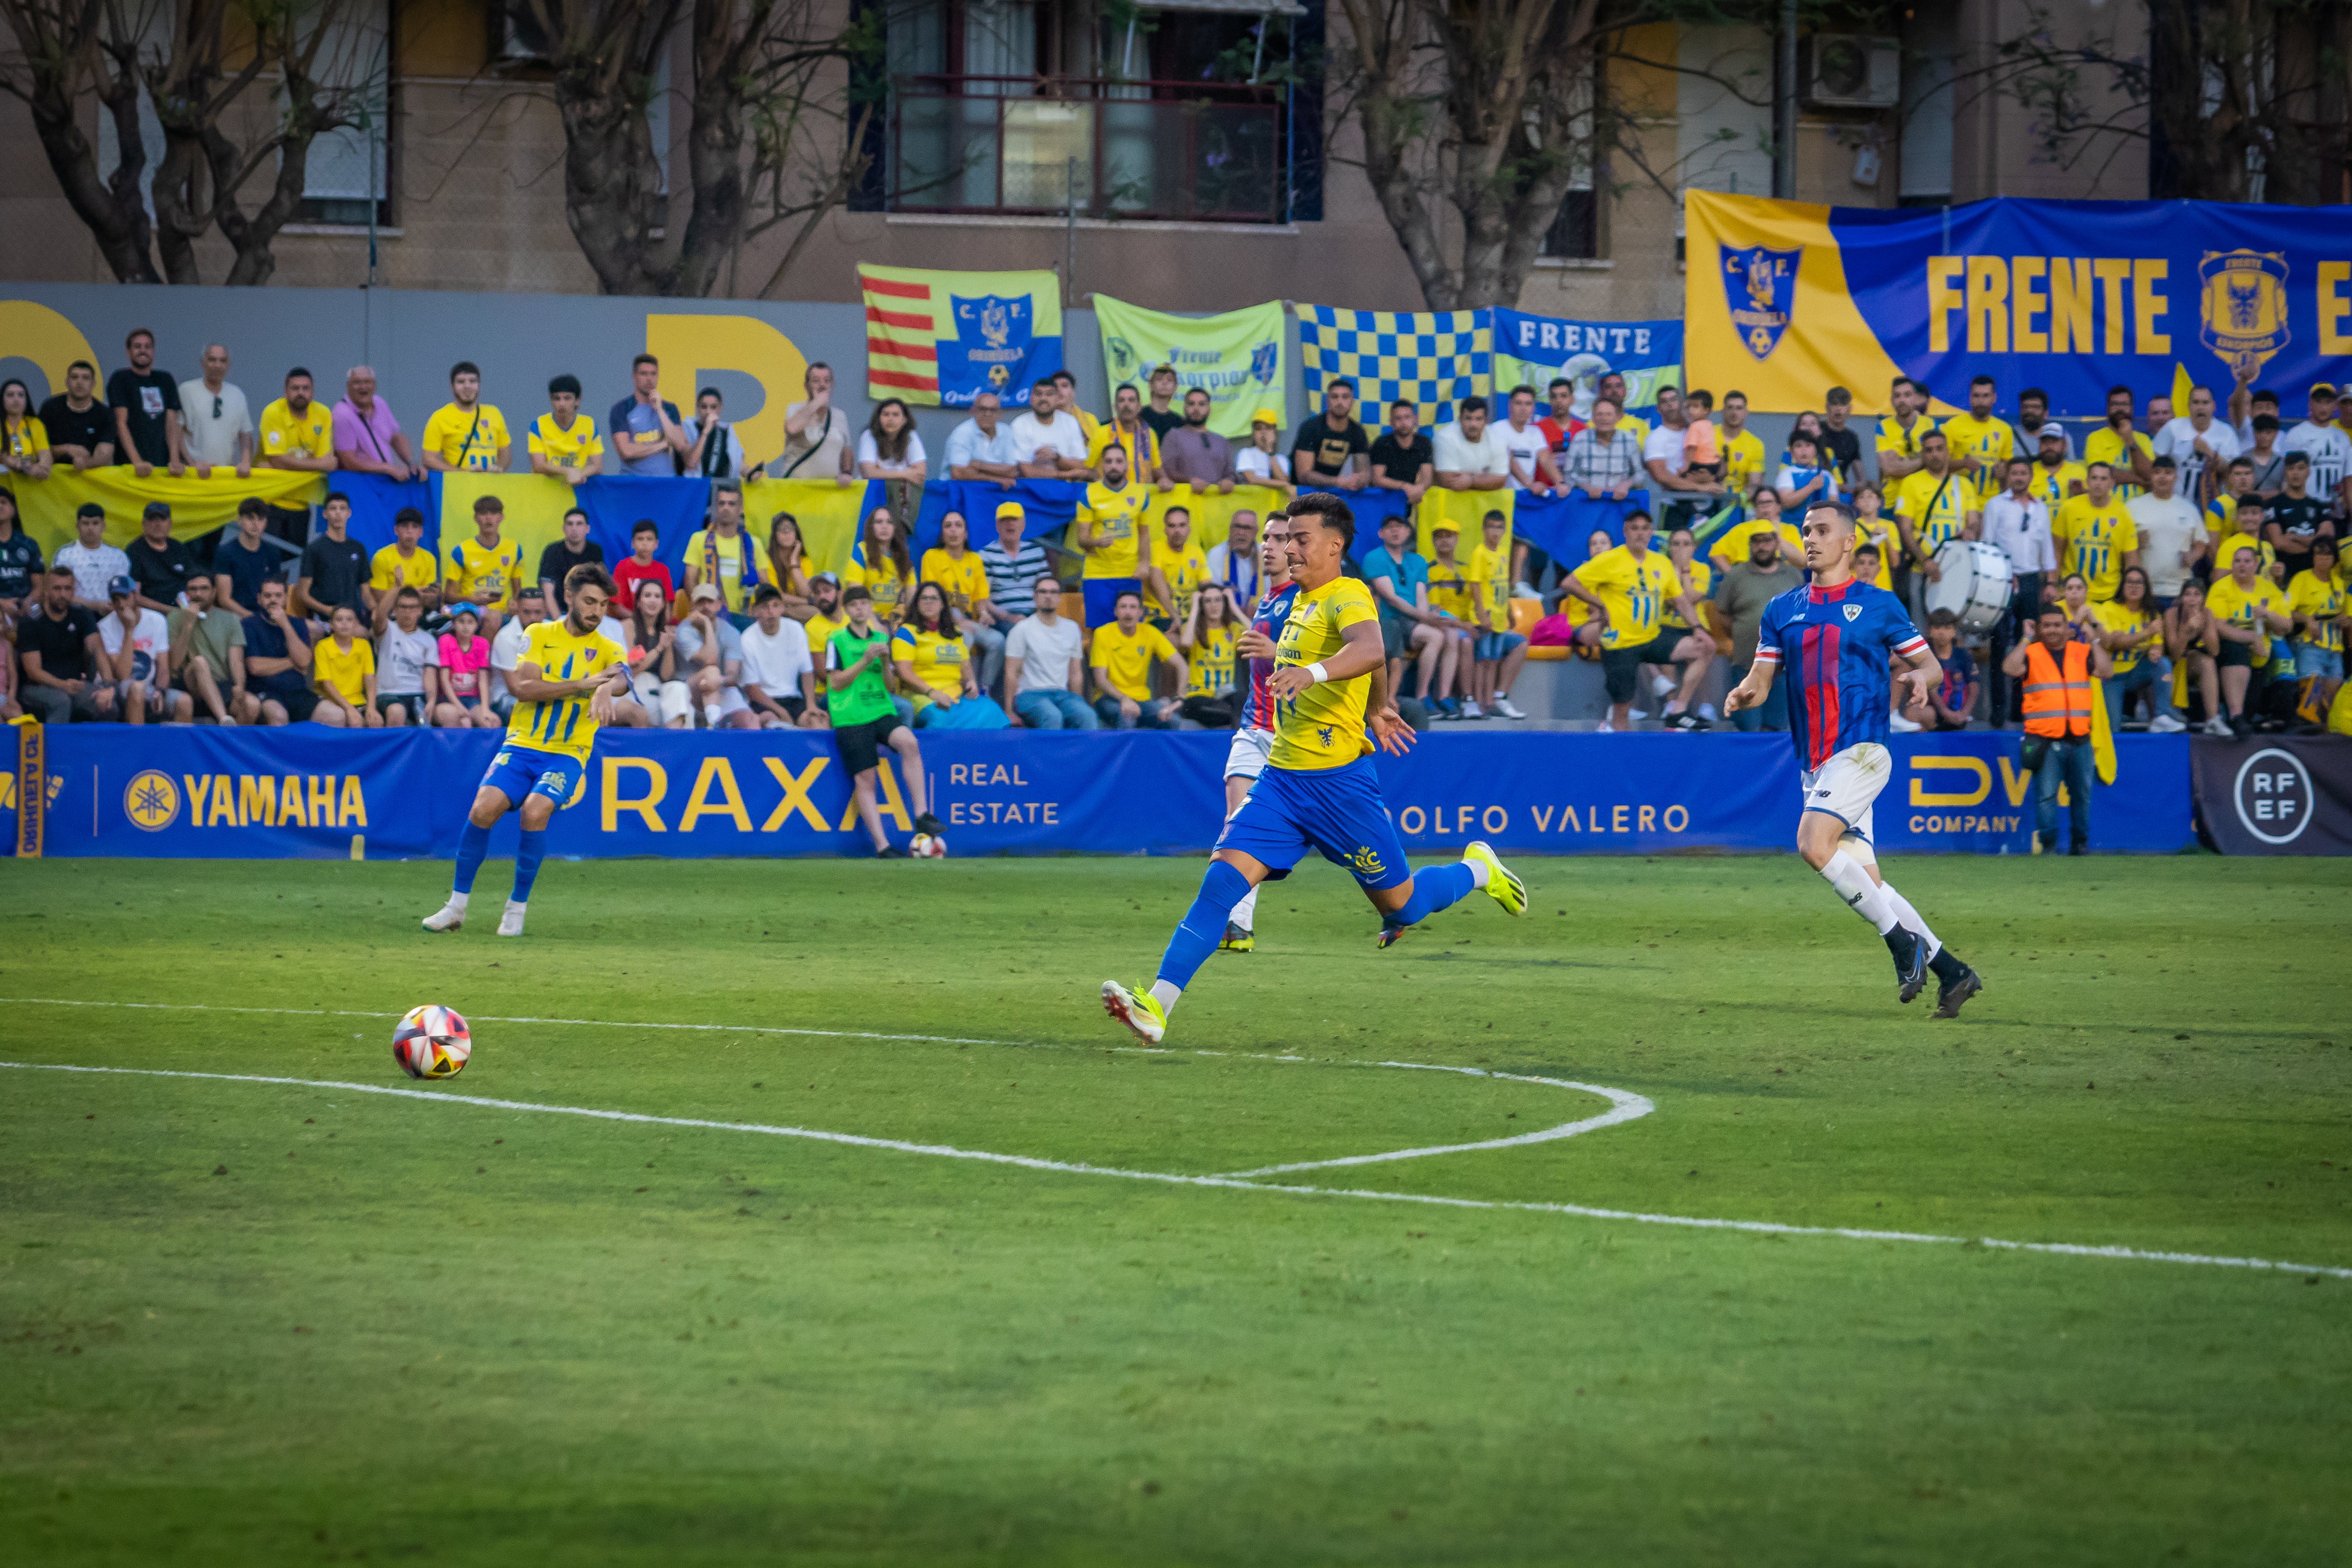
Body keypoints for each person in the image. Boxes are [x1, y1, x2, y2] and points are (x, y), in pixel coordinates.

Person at [1099, 493, 1527, 1044]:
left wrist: (1316, 674)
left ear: (1334, 545)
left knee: (1405, 904)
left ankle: (1479, 870)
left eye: (1299, 539)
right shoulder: (1296, 602)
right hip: (1281, 780)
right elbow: (1366, 662)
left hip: (1339, 787)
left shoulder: (1348, 593)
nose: (1288, 548)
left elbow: (1370, 647)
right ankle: (1156, 1007)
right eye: (1284, 538)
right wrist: (1375, 704)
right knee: (1219, 885)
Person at [1725, 501, 1982, 1014]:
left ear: (1847, 542)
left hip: (1862, 749)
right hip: (1816, 763)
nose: (1811, 538)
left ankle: (1899, 943)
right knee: (1869, 883)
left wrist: (1917, 678)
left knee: (1810, 844)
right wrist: (1743, 694)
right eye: (1805, 531)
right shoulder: (1782, 610)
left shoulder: (1878, 604)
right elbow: (1760, 678)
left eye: (1822, 530)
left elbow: (1928, 663)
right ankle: (1952, 972)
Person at [423, 563, 630, 936]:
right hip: (522, 744)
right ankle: (456, 907)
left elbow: (622, 678)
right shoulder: (538, 633)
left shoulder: (608, 645)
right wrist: (584, 684)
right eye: (589, 601)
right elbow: (525, 688)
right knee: (483, 808)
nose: (597, 611)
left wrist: (604, 687)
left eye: (602, 604)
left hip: (568, 752)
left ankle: (515, 910)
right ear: (569, 598)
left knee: (535, 812)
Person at [1214, 513, 1300, 950]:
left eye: (1280, 538)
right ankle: (1238, 924)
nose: (1269, 545)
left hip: (1296, 737)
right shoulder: (1264, 599)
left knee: (1353, 839)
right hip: (1255, 727)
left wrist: (1276, 651)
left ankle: (1399, 901)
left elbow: (1330, 665)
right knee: (1239, 823)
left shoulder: (1307, 601)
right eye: (1266, 537)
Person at [823, 585, 944, 856]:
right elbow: (836, 682)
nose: (860, 609)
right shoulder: (837, 640)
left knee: (910, 743)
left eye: (865, 604)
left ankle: (922, 813)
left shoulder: (879, 637)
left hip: (880, 708)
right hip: (851, 716)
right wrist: (865, 660)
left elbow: (890, 686)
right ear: (846, 610)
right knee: (867, 780)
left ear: (870, 608)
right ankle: (882, 845)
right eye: (854, 605)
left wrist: (887, 660)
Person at [1558, 511, 1706, 733]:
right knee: (1622, 712)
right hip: (1621, 642)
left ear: (1652, 533)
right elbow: (1569, 583)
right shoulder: (1609, 560)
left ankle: (1677, 710)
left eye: (1645, 528)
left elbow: (1681, 600)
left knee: (1705, 647)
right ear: (1625, 532)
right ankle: (1620, 756)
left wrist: (1698, 627)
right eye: (1634, 528)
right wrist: (1600, 605)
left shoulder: (1661, 562)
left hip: (1651, 637)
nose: (1640, 533)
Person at [2003, 600, 2112, 853]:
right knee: (2046, 797)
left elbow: (2106, 671)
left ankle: (2080, 843)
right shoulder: (2032, 652)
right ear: (2039, 628)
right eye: (2047, 626)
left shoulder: (2081, 651)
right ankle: (2049, 845)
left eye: (2057, 625)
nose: (2052, 630)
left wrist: (2094, 640)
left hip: (2080, 738)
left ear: (2067, 627)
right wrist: (2026, 639)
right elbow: (2009, 668)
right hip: (2045, 739)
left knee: (2083, 796)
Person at [1980, 458, 2058, 722]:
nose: (2019, 477)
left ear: (2031, 476)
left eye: (2024, 473)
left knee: (2030, 645)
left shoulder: (2041, 508)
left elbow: (2046, 547)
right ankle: (1998, 712)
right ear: (2008, 476)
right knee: (2000, 643)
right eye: (2015, 473)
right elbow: (1988, 545)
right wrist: (2002, 573)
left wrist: (2050, 583)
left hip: (2031, 580)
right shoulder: (1996, 505)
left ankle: (2021, 708)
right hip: (2004, 579)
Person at [1363, 512, 1455, 717]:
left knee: (1452, 633)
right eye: (1390, 527)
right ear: (1381, 533)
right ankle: (1422, 697)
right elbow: (1391, 598)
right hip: (1390, 620)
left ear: (1408, 532)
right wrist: (1426, 619)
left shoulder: (1418, 560)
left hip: (1413, 620)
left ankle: (1445, 696)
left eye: (1400, 527)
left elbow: (1421, 594)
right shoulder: (1374, 557)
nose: (1395, 530)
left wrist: (1427, 617)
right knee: (1435, 635)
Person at [1711, 520, 1796, 732]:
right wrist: (1737, 635)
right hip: (1746, 663)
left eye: (1767, 541)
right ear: (1750, 545)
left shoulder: (1793, 575)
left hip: (1783, 667)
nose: (1762, 546)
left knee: (1776, 727)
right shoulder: (1736, 575)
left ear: (1776, 543)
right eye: (1756, 542)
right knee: (1748, 726)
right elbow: (1719, 614)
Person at [2203, 546, 2291, 736]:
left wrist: (2268, 614)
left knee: (2250, 715)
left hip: (2260, 658)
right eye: (2237, 561)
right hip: (2227, 652)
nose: (2241, 565)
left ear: (2257, 565)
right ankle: (2235, 716)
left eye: (2247, 561)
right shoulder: (2221, 587)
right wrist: (2252, 638)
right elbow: (2218, 626)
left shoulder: (2269, 589)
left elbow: (2287, 626)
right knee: (2238, 648)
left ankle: (2266, 718)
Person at [1889, 431, 1982, 596]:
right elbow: (1905, 529)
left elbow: (1974, 521)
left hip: (1957, 566)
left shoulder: (1964, 484)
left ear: (1948, 452)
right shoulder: (1911, 483)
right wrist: (1925, 560)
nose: (1935, 455)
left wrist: (1971, 531)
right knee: (1920, 620)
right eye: (1929, 450)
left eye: (1940, 449)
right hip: (1922, 568)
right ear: (1923, 455)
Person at [1073, 444, 1155, 630]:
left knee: (1131, 629)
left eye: (1119, 461)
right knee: (1100, 630)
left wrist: (1144, 563)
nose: (1114, 466)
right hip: (1098, 574)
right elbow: (1082, 540)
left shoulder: (1140, 493)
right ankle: (1098, 661)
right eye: (1109, 461)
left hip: (1130, 573)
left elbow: (1144, 533)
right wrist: (1095, 542)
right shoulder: (1089, 494)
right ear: (1102, 465)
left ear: (1127, 464)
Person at [17, 566, 113, 723]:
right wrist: (62, 685)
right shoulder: (31, 621)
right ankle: (56, 747)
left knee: (108, 704)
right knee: (61, 701)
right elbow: (33, 671)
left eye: (68, 589)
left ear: (74, 591)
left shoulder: (82, 614)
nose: (63, 594)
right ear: (46, 591)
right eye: (57, 589)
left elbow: (97, 649)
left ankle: (102, 747)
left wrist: (108, 686)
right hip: (36, 687)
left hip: (74, 685)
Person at [977, 500, 1050, 694]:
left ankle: (1046, 690)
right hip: (1003, 616)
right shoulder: (986, 554)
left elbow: (1046, 588)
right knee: (1020, 634)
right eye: (1005, 520)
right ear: (997, 525)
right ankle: (1017, 696)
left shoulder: (1036, 552)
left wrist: (1040, 617)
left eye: (1015, 520)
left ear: (1024, 524)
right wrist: (1007, 616)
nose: (1011, 525)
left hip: (1034, 614)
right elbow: (983, 597)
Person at [1004, 575, 1092, 729]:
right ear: (1035, 597)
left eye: (1054, 592)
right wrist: (1009, 711)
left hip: (1062, 694)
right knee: (1052, 716)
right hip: (1029, 694)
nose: (1048, 596)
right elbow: (1012, 672)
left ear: (1060, 598)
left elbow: (1076, 673)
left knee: (1087, 715)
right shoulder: (1021, 629)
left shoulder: (1072, 628)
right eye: (1043, 592)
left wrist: (1078, 701)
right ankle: (1051, 754)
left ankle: (1086, 754)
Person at [1089, 589, 1182, 729]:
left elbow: (1181, 665)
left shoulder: (1150, 632)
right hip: (1110, 699)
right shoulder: (1102, 633)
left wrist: (1181, 697)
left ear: (1141, 613)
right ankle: (1126, 752)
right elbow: (1101, 680)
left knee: (1172, 720)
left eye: (1133, 607)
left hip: (1143, 700)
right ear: (1116, 612)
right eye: (1123, 607)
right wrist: (1125, 699)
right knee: (1128, 717)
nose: (1128, 612)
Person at [97, 575, 184, 724]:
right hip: (117, 687)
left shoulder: (157, 621)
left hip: (150, 686)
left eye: (125, 597)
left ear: (136, 595)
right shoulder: (105, 626)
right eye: (115, 599)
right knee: (137, 688)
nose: (121, 604)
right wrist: (129, 630)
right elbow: (123, 675)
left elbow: (164, 667)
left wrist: (161, 692)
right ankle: (137, 746)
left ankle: (179, 747)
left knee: (184, 702)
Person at [1465, 510, 1528, 718]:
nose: (1496, 531)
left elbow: (1504, 586)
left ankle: (1490, 702)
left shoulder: (1502, 553)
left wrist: (1509, 612)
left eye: (1500, 527)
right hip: (1486, 618)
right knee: (1482, 661)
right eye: (1491, 527)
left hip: (1500, 618)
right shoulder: (1480, 553)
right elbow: (1475, 586)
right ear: (1484, 530)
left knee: (1493, 660)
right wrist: (1482, 615)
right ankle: (1480, 701)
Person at [2051, 462, 2140, 603]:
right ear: (2087, 481)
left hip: (2109, 594)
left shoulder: (2123, 514)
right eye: (2094, 478)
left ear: (2112, 484)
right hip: (2073, 592)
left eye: (2104, 479)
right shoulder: (2069, 508)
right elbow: (2057, 551)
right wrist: (2053, 585)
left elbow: (2131, 558)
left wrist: (2127, 595)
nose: (2098, 483)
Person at [2095, 565, 2171, 729]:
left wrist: (2156, 650)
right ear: (2122, 586)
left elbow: (2158, 642)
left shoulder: (2152, 614)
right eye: (2129, 582)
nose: (2134, 587)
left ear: (2146, 588)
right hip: (2112, 676)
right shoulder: (2108, 609)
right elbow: (2115, 644)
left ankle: (2162, 716)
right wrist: (2147, 632)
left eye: (2139, 583)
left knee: (2163, 664)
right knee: (2112, 729)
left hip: (2136, 673)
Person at [1655, 524, 1717, 728]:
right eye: (1676, 544)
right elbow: (1672, 601)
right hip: (1666, 623)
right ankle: (1672, 703)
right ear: (1669, 548)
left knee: (1703, 646)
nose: (1681, 548)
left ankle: (1696, 705)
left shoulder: (1703, 569)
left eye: (1686, 544)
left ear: (1694, 547)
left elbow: (1689, 599)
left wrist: (1684, 571)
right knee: (1666, 642)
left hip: (1694, 625)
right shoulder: (1660, 568)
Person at [894, 581, 977, 726]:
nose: (929, 602)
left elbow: (966, 668)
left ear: (943, 604)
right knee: (940, 717)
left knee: (992, 711)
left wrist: (972, 682)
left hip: (955, 695)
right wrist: (932, 693)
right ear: (917, 604)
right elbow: (905, 673)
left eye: (934, 598)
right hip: (922, 695)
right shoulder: (907, 632)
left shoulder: (955, 633)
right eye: (924, 598)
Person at [2126, 457, 2205, 608]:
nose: (2162, 477)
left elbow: (2201, 543)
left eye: (2168, 473)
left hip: (2180, 591)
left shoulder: (2188, 509)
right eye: (2157, 473)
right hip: (2144, 590)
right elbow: (2120, 543)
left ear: (2176, 477)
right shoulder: (2133, 506)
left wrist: (2192, 556)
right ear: (2151, 476)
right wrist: (2135, 541)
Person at [675, 583, 754, 729]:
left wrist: (719, 682)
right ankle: (714, 725)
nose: (705, 607)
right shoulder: (684, 630)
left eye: (710, 602)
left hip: (719, 686)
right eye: (700, 602)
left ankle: (716, 722)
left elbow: (732, 676)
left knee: (750, 720)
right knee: (712, 671)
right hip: (689, 690)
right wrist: (707, 624)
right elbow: (711, 659)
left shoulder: (731, 632)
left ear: (718, 605)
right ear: (693, 607)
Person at [168, 571, 243, 724]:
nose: (198, 594)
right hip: (189, 684)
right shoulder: (175, 617)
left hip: (222, 684)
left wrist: (240, 686)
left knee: (251, 705)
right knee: (200, 662)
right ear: (186, 593)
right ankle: (224, 719)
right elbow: (175, 664)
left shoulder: (231, 619)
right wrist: (188, 623)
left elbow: (237, 661)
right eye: (193, 589)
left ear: (214, 592)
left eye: (204, 589)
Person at [445, 493, 523, 639]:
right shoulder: (462, 550)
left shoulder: (514, 549)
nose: (488, 518)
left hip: (502, 611)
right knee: (494, 618)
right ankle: (483, 661)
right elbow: (448, 596)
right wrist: (474, 600)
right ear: (476, 518)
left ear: (501, 517)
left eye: (493, 513)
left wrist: (516, 604)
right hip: (469, 609)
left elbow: (518, 590)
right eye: (483, 514)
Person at [740, 584, 821, 728]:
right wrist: (781, 712)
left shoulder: (796, 629)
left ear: (783, 608)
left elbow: (807, 673)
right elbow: (752, 690)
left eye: (776, 605)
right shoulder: (748, 639)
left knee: (817, 722)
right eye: (765, 607)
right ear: (756, 611)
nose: (771, 612)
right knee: (774, 724)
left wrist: (811, 705)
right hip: (765, 702)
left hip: (793, 698)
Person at [241, 578, 319, 725]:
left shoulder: (298, 623)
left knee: (335, 715)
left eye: (278, 596)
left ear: (286, 599)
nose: (273, 600)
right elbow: (255, 667)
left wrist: (285, 624)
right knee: (279, 716)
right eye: (268, 596)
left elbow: (304, 661)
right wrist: (292, 662)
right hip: (265, 693)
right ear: (259, 599)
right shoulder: (249, 624)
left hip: (298, 692)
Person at [109, 327, 184, 477]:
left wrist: (175, 459)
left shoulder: (165, 379)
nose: (143, 351)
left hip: (163, 467)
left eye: (147, 347)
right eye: (137, 347)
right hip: (130, 467)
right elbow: (120, 423)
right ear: (128, 352)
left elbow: (171, 422)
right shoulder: (120, 379)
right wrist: (137, 462)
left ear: (153, 351)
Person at [2286, 538, 2347, 720]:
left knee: (2331, 704)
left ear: (2335, 559)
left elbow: (2342, 613)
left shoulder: (2338, 583)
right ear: (2312, 557)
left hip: (2336, 650)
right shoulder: (2301, 578)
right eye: (2318, 553)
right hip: (2310, 646)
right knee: (2311, 701)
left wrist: (2344, 620)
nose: (2323, 558)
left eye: (2328, 554)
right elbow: (2286, 610)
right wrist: (2307, 619)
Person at [176, 343, 252, 478]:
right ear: (203, 363)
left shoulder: (237, 394)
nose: (218, 365)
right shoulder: (187, 391)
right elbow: (176, 431)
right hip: (193, 474)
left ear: (228, 365)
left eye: (223, 361)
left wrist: (246, 462)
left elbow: (245, 433)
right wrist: (192, 463)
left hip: (225, 475)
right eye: (212, 360)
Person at [333, 365, 421, 480]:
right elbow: (349, 461)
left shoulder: (380, 403)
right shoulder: (342, 414)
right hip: (358, 482)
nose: (363, 387)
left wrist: (411, 464)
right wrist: (388, 468)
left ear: (374, 385)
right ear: (348, 386)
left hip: (384, 480)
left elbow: (395, 438)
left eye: (367, 382)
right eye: (357, 383)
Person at [2163, 578, 2227, 734]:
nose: (2192, 599)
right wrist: (2186, 631)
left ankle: (2213, 719)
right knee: (2177, 662)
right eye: (2188, 594)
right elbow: (2175, 655)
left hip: (2193, 665)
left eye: (2197, 595)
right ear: (2181, 598)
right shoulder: (2171, 614)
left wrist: (2204, 626)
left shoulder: (2207, 614)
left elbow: (2215, 651)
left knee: (2208, 662)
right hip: (2171, 666)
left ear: (2203, 598)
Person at [294, 491, 369, 625]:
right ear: (325, 514)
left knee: (367, 634)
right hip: (324, 620)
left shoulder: (358, 549)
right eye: (333, 508)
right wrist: (328, 610)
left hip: (353, 619)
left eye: (342, 508)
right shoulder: (314, 549)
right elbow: (302, 594)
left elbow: (366, 594)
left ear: (349, 513)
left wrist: (377, 611)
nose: (338, 513)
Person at [421, 362, 511, 473]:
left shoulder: (494, 413)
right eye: (461, 382)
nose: (467, 386)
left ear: (479, 385)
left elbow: (505, 451)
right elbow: (428, 459)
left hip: (491, 486)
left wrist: (499, 468)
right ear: (452, 386)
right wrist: (462, 473)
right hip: (459, 486)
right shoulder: (440, 417)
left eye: (472, 381)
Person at [2154, 384, 2238, 504]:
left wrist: (2209, 453)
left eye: (2205, 403)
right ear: (2189, 406)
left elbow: (2232, 474)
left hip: (2213, 507)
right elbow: (2157, 466)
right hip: (2176, 504)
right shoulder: (2173, 428)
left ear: (2213, 406)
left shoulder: (2227, 433)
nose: (2200, 407)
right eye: (2196, 403)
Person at [608, 354, 687, 477]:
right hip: (633, 484)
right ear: (634, 376)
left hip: (664, 483)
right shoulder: (621, 409)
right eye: (644, 374)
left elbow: (680, 444)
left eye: (653, 374)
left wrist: (660, 410)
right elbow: (626, 452)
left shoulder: (669, 409)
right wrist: (662, 444)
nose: (649, 379)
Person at [777, 361, 856, 482]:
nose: (822, 385)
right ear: (806, 386)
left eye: (827, 381)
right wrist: (817, 403)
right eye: (816, 381)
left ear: (832, 385)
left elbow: (847, 449)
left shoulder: (840, 416)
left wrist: (847, 472)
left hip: (828, 490)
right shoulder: (795, 409)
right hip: (798, 489)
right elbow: (792, 428)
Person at [374, 587, 442, 727]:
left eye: (412, 607)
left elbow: (429, 674)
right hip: (389, 694)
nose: (407, 611)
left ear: (420, 611)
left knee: (448, 714)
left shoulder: (428, 639)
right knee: (397, 712)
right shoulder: (388, 630)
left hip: (418, 694)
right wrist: (396, 588)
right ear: (395, 610)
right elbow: (380, 615)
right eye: (403, 607)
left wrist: (431, 701)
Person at [1176, 582, 1240, 726]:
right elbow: (1185, 643)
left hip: (1225, 695)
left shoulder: (1233, 629)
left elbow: (1259, 636)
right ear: (1202, 605)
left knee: (1242, 700)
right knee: (1217, 710)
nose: (1214, 605)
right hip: (1198, 696)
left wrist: (1234, 607)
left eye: (1218, 600)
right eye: (1208, 601)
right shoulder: (1193, 629)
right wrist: (1194, 609)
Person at [1903, 607, 1977, 731]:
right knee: (1911, 714)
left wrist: (1965, 713)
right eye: (1937, 628)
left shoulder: (1963, 656)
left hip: (1961, 714)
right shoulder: (1926, 656)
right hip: (1935, 713)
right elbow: (1931, 687)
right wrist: (1945, 712)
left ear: (1954, 632)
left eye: (1947, 628)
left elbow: (1974, 686)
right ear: (1930, 631)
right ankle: (1927, 747)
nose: (1941, 633)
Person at [2282, 382, 2352, 514]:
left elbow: (2348, 480)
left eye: (2328, 402)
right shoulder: (2296, 434)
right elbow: (2287, 476)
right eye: (2319, 402)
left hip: (2336, 510)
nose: (2323, 407)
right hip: (2305, 508)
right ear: (2310, 404)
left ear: (2335, 406)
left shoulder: (2343, 438)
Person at [307, 602, 378, 729]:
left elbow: (370, 678)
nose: (344, 623)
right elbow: (326, 683)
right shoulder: (323, 646)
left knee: (376, 722)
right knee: (355, 722)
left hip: (359, 700)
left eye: (349, 620)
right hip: (332, 701)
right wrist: (349, 709)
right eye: (339, 620)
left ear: (356, 623)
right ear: (331, 625)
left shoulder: (364, 645)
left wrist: (371, 708)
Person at [368, 506, 440, 632]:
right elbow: (379, 596)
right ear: (396, 530)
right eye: (405, 526)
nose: (410, 531)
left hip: (419, 612)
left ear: (421, 532)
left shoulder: (429, 559)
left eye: (415, 527)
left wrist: (400, 592)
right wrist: (416, 591)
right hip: (391, 613)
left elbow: (429, 598)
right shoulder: (382, 557)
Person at [257, 367, 337, 479]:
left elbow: (326, 460)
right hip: (273, 484)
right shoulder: (273, 412)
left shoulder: (323, 413)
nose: (301, 393)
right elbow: (277, 461)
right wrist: (319, 465)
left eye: (306, 388)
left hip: (309, 486)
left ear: (313, 391)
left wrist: (323, 464)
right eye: (295, 388)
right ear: (286, 391)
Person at [843, 504, 915, 626]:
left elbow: (911, 600)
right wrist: (876, 625)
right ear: (872, 527)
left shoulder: (903, 557)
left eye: (889, 522)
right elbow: (856, 597)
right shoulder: (861, 551)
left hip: (895, 619)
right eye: (879, 522)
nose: (884, 526)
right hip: (865, 617)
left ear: (895, 528)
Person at [1291, 380, 1369, 490]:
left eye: (1345, 397)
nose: (1340, 402)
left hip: (1338, 495)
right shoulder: (1311, 428)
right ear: (1327, 401)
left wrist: (1358, 481)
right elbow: (1303, 476)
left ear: (1352, 402)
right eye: (1335, 397)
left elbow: (1364, 473)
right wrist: (1337, 482)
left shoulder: (1358, 432)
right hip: (1306, 495)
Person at [37, 360, 115, 471]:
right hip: (53, 479)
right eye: (75, 377)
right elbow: (37, 449)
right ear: (67, 382)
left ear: (94, 384)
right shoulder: (50, 408)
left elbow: (104, 457)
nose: (80, 382)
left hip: (91, 479)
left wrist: (84, 463)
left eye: (86, 378)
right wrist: (66, 449)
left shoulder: (105, 414)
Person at [1561, 395, 1643, 499]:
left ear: (1617, 418)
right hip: (1587, 501)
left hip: (1619, 502)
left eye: (1609, 415)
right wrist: (1587, 487)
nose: (1604, 418)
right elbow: (1568, 473)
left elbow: (1640, 474)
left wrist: (1626, 485)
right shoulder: (1580, 439)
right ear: (1593, 418)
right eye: (1599, 414)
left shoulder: (1629, 440)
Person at [1009, 375, 1091, 478]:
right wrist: (1067, 474)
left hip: (1066, 486)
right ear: (1031, 399)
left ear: (1057, 399)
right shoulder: (1020, 424)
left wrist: (1056, 457)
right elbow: (1026, 471)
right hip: (1031, 487)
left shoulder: (1070, 422)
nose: (1043, 398)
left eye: (1049, 394)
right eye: (1038, 394)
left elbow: (1081, 465)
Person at [528, 374, 604, 486]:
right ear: (551, 400)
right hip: (546, 490)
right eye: (557, 399)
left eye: (567, 398)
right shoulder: (538, 425)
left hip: (577, 490)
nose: (562, 404)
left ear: (578, 400)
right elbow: (538, 465)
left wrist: (580, 474)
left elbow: (598, 466)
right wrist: (568, 471)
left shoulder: (589, 425)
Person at [1940, 374, 2016, 484]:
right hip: (1961, 496)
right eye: (1976, 396)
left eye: (1986, 396)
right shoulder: (1952, 425)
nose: (1981, 401)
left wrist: (2004, 470)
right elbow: (1940, 465)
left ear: (1994, 398)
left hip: (1993, 498)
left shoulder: (2005, 429)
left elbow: (2007, 465)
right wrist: (1964, 464)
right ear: (1970, 397)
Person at [434, 603, 499, 727]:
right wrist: (458, 706)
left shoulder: (482, 643)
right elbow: (444, 679)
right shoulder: (446, 641)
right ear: (453, 624)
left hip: (473, 700)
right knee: (465, 723)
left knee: (493, 722)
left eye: (470, 622)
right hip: (449, 699)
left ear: (477, 625)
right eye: (461, 621)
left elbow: (483, 680)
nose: (466, 626)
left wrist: (485, 709)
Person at [124, 500, 196, 613]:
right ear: (144, 524)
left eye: (162, 519)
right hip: (151, 613)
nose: (158, 524)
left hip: (184, 608)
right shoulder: (135, 551)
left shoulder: (178, 548)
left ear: (170, 524)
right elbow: (135, 596)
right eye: (152, 519)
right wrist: (171, 612)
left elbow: (193, 582)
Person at [2084, 385, 2154, 500]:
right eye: (2115, 404)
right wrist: (2141, 481)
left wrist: (2131, 441)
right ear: (2107, 409)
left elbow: (2150, 475)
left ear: (2132, 409)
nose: (2120, 409)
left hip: (2139, 511)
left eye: (2124, 404)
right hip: (2108, 509)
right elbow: (2102, 474)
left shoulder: (2144, 439)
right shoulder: (2095, 438)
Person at [2265, 454, 2332, 575]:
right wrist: (2314, 546)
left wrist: (2294, 537)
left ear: (2308, 472)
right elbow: (2278, 543)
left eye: (2301, 468)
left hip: (2314, 574)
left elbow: (2326, 543)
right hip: (2286, 574)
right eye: (2291, 469)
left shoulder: (2320, 507)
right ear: (2285, 472)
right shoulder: (2273, 504)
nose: (2296, 473)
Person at [1159, 388, 1236, 491]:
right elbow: (1167, 471)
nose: (1196, 408)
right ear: (1185, 408)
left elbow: (1231, 474)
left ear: (1209, 409)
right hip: (1184, 502)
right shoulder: (1174, 436)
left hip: (1216, 503)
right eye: (1191, 404)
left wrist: (1229, 481)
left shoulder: (1222, 441)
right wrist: (1189, 481)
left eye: (1202, 404)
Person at [55, 503, 129, 610]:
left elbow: (125, 593)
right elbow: (59, 593)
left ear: (103, 526)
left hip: (112, 614)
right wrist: (96, 606)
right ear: (78, 526)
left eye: (95, 523)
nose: (90, 528)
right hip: (75, 614)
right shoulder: (66, 555)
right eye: (86, 523)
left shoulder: (118, 556)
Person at [1089, 384, 1164, 489]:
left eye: (1131, 400)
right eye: (1122, 400)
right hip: (1112, 498)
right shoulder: (1101, 433)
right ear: (1115, 407)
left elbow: (1157, 470)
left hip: (1142, 500)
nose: (1126, 405)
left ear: (1139, 407)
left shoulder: (1149, 434)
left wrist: (1164, 480)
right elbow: (1088, 468)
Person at [1431, 395, 1511, 493]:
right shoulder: (1445, 438)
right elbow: (1448, 481)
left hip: (1481, 504)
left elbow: (1501, 480)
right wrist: (1486, 479)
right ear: (1460, 420)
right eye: (1468, 419)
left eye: (1478, 419)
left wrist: (1471, 480)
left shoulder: (1498, 440)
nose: (1473, 424)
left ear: (1486, 421)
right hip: (1447, 503)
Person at [944, 390, 1023, 485]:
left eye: (993, 410)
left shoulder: (1006, 431)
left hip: (995, 490)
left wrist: (978, 465)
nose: (988, 414)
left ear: (999, 413)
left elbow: (1012, 471)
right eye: (983, 409)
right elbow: (958, 474)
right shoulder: (963, 433)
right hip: (961, 490)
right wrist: (996, 479)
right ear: (973, 411)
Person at [1148, 506, 1207, 628]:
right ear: (1165, 530)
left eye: (1182, 525)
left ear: (1189, 529)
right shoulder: (1155, 549)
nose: (1177, 531)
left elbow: (1206, 586)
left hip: (1189, 619)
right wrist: (1175, 617)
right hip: (1160, 618)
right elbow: (1157, 583)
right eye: (1172, 526)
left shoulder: (1197, 553)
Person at [1498, 385, 1560, 494]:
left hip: (1526, 497)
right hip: (1503, 497)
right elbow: (1508, 459)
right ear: (1510, 405)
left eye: (1528, 404)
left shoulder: (1535, 432)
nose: (1523, 408)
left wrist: (1560, 483)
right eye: (1518, 403)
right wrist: (1529, 484)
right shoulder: (1497, 429)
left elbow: (1546, 459)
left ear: (1533, 408)